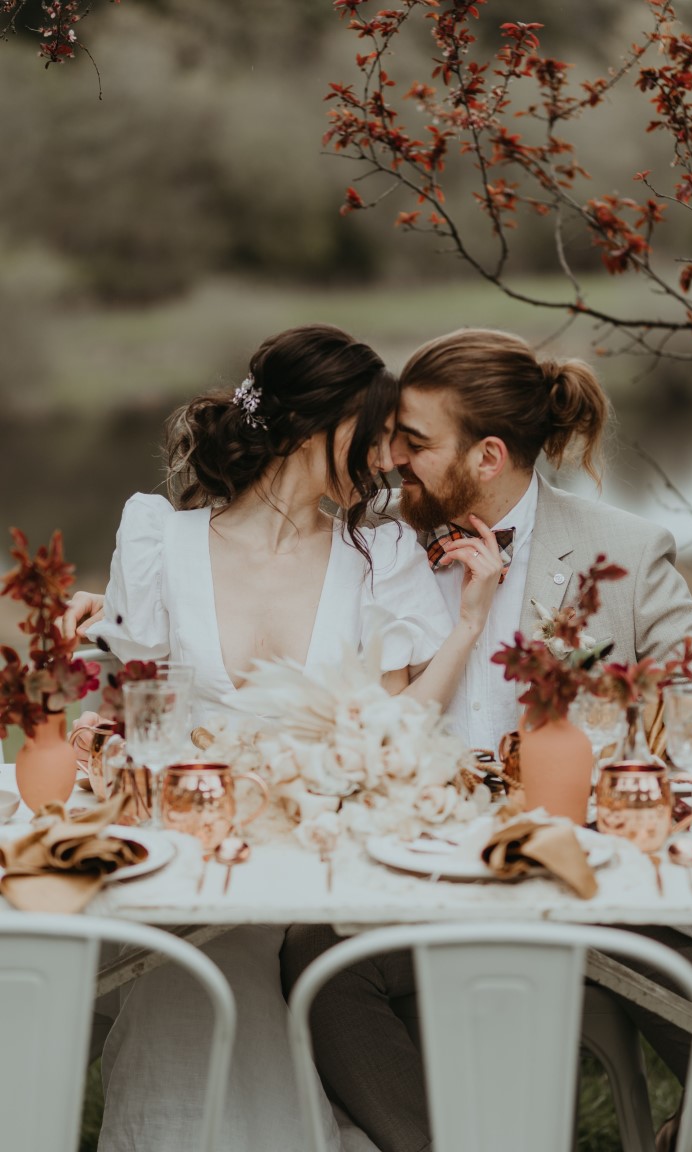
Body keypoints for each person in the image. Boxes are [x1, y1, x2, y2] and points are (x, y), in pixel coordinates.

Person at [280, 328, 692, 1152]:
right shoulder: (367, 545)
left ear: (488, 456)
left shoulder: (623, 550)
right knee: (316, 971)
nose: (388, 457)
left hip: (602, 889)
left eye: (413, 440)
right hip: (418, 882)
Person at [82, 323, 503, 1152]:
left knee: (238, 959)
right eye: (377, 435)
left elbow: (397, 729)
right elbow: (130, 712)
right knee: (195, 965)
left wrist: (470, 622)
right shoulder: (158, 542)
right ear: (321, 427)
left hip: (318, 853)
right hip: (187, 852)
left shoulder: (380, 555)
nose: (388, 460)